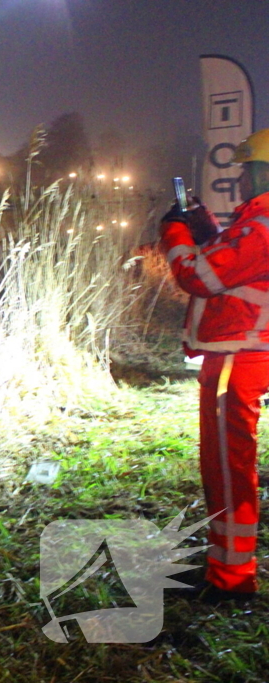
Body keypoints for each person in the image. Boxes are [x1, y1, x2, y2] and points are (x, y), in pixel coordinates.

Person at [159, 128, 269, 602]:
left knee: (229, 471)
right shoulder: (257, 222)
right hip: (240, 353)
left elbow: (198, 275)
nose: (240, 179)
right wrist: (206, 230)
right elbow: (231, 262)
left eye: (248, 170)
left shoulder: (263, 224)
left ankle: (231, 581)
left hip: (237, 358)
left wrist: (176, 232)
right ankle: (222, 568)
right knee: (225, 469)